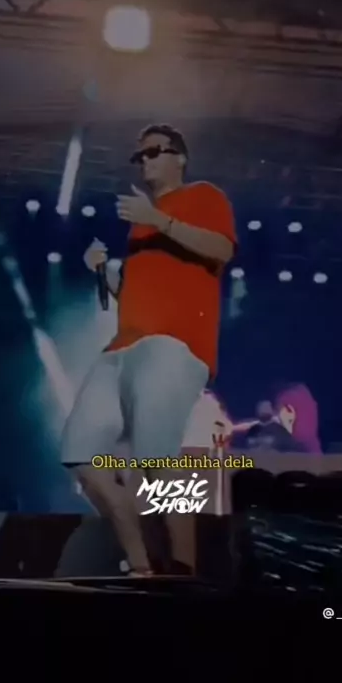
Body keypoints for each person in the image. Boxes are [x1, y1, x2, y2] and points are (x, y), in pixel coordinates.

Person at [61, 124, 237, 575]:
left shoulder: (203, 196)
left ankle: (183, 567)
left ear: (180, 157)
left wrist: (161, 220)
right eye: (139, 156)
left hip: (174, 344)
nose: (144, 161)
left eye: (154, 152)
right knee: (80, 454)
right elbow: (137, 295)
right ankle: (141, 564)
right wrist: (104, 272)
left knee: (154, 456)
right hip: (122, 347)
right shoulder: (142, 223)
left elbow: (221, 249)